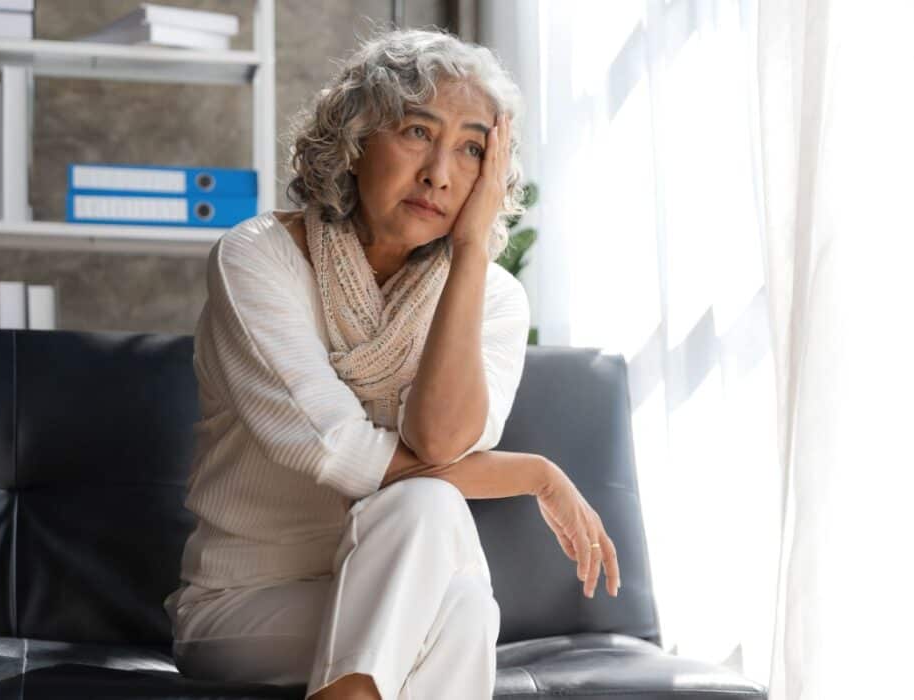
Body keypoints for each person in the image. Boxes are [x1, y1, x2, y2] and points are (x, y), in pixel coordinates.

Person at [162, 27, 621, 700]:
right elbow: (340, 451)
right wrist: (534, 475)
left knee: (449, 572)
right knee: (439, 542)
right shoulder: (258, 258)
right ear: (355, 139)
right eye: (416, 132)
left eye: (470, 149)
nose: (439, 172)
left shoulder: (491, 299)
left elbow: (439, 440)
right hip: (247, 606)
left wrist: (470, 256)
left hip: (400, 592)